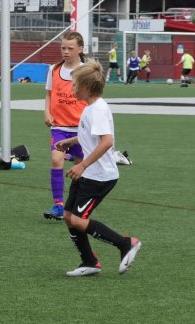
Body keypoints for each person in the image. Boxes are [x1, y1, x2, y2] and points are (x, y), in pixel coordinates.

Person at [52, 62, 142, 277]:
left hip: (99, 177)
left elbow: (107, 141)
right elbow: (91, 135)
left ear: (87, 87)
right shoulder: (90, 107)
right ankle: (89, 262)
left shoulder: (98, 109)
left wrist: (83, 164)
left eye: (75, 85)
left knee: (78, 220)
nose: (72, 88)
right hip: (88, 173)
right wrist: (71, 141)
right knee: (68, 216)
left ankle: (126, 243)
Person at [42, 32, 87, 221]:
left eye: (70, 48)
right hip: (59, 127)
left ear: (80, 49)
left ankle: (75, 205)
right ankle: (58, 205)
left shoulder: (86, 70)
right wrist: (47, 112)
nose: (66, 51)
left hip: (81, 129)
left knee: (80, 166)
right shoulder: (54, 69)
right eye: (63, 48)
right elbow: (49, 94)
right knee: (56, 159)